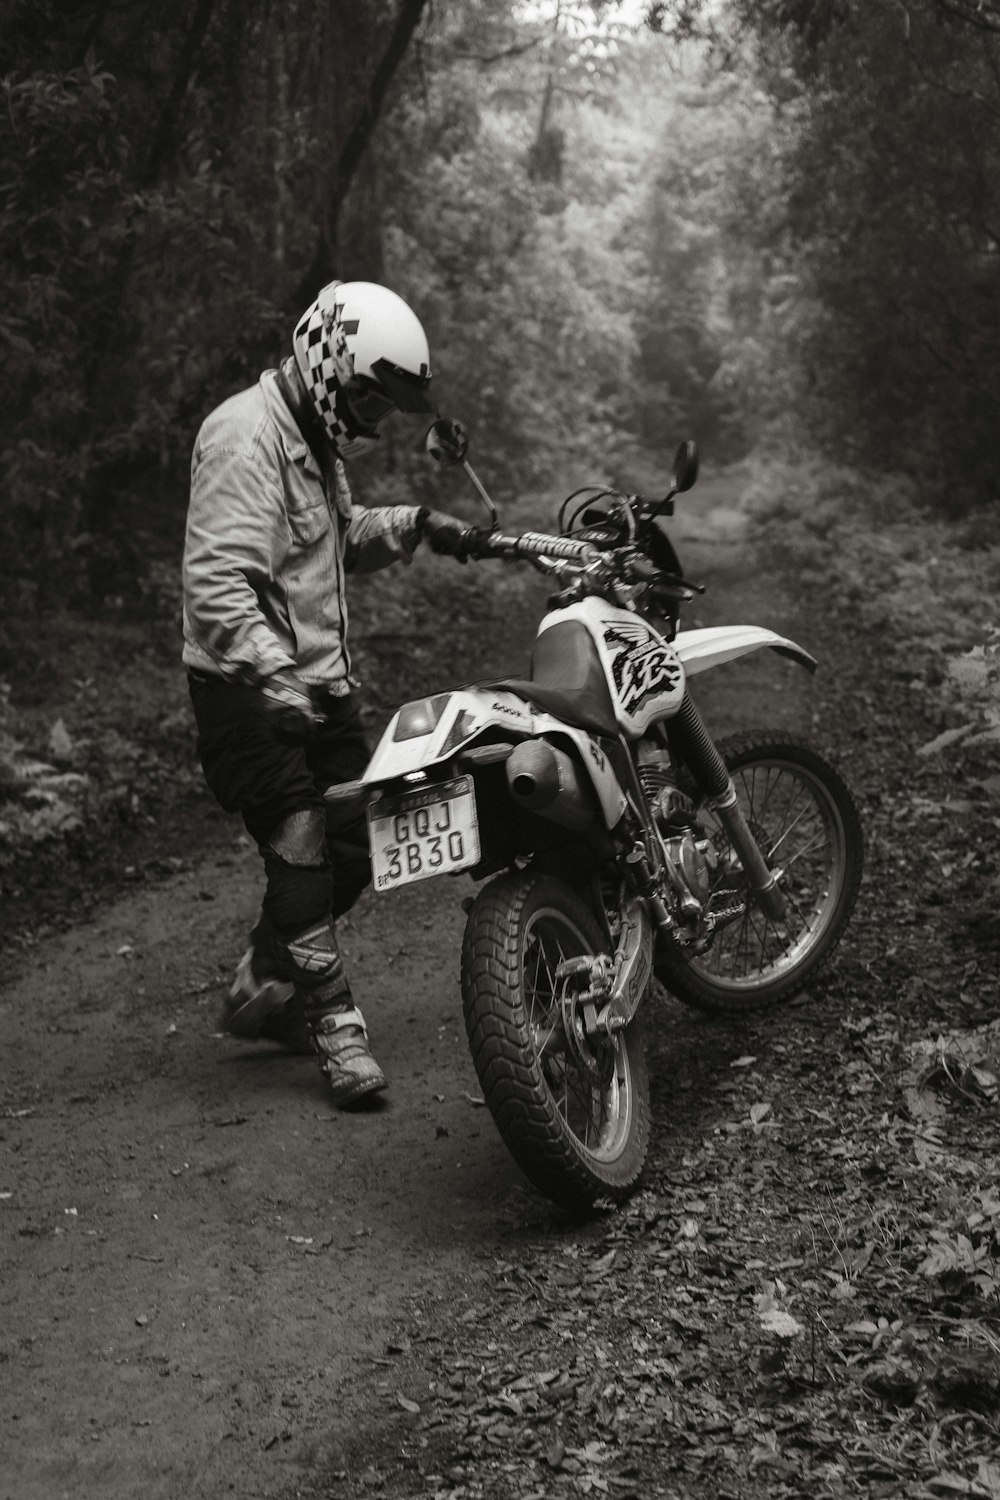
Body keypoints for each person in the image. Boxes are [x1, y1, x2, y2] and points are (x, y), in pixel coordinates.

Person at [182, 279, 474, 1109]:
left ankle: (262, 979)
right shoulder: (245, 435)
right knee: (303, 838)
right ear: (326, 360)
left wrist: (418, 523)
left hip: (316, 685)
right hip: (247, 687)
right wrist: (274, 680)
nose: (374, 420)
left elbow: (336, 540)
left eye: (383, 406)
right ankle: (336, 1028)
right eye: (368, 399)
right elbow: (216, 581)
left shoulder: (315, 442)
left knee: (356, 844)